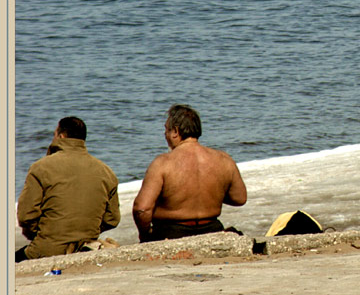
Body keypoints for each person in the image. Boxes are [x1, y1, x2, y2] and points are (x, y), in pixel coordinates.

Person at [133, 105, 247, 243]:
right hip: (212, 229)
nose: (165, 134)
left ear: (175, 132)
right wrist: (212, 192)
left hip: (172, 232)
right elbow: (240, 198)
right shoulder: (224, 159)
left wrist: (145, 235)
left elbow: (142, 209)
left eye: (166, 129)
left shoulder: (163, 163)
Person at [16, 117, 120, 262]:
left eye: (54, 135)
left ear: (61, 136)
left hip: (47, 248)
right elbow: (112, 219)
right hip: (87, 246)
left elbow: (26, 215)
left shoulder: (40, 167)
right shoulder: (106, 171)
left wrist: (40, 235)